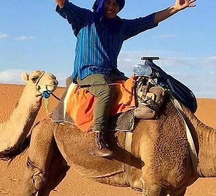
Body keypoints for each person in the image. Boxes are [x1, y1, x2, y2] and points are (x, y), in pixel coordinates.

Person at [54, 0, 196, 157]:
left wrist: (175, 8)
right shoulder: (85, 18)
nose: (111, 7)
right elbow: (63, 4)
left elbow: (148, 20)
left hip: (112, 73)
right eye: (108, 3)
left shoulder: (121, 26)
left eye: (115, 4)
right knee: (105, 91)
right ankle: (98, 139)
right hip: (88, 73)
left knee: (141, 86)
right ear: (100, 4)